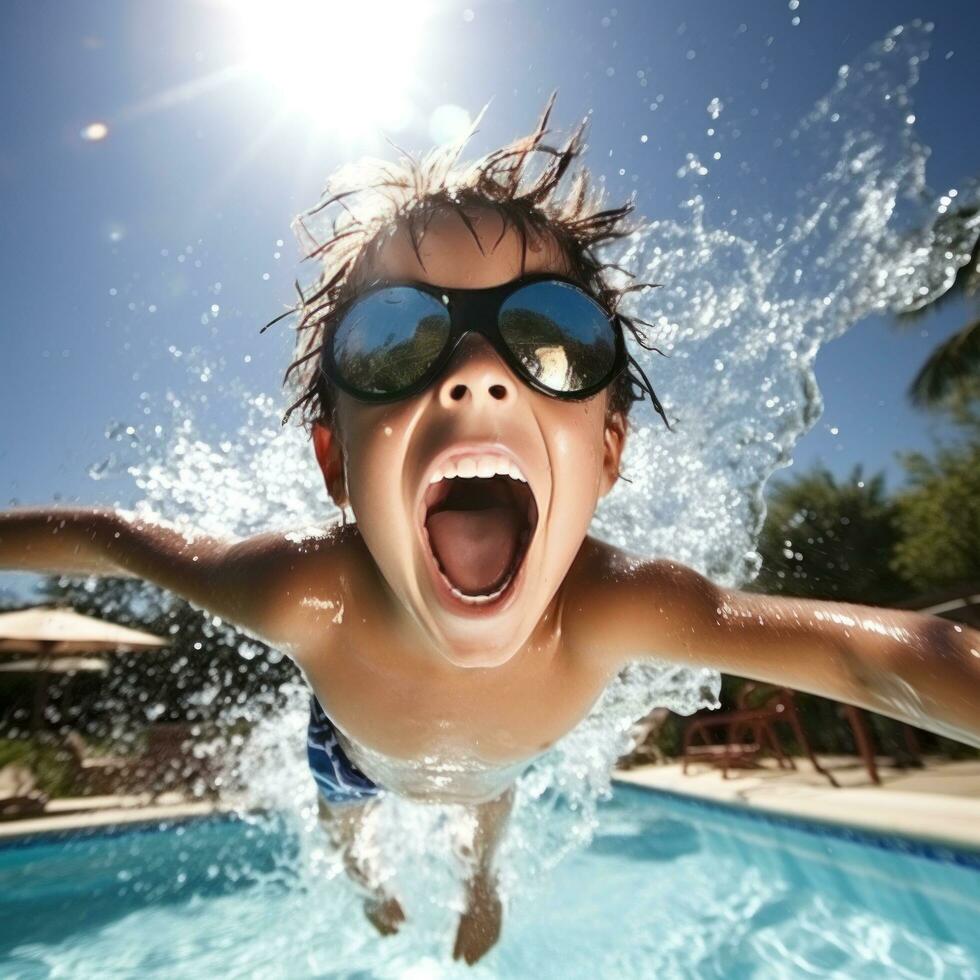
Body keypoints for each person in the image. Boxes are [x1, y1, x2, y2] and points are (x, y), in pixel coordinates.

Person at [2, 96, 978, 965]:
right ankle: (366, 880)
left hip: (501, 761)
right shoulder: (299, 593)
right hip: (352, 749)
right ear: (336, 463)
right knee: (346, 818)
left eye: (549, 331)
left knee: (489, 804)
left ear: (604, 450)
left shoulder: (616, 606)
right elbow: (101, 534)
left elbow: (874, 662)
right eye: (397, 339)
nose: (476, 371)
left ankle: (480, 882)